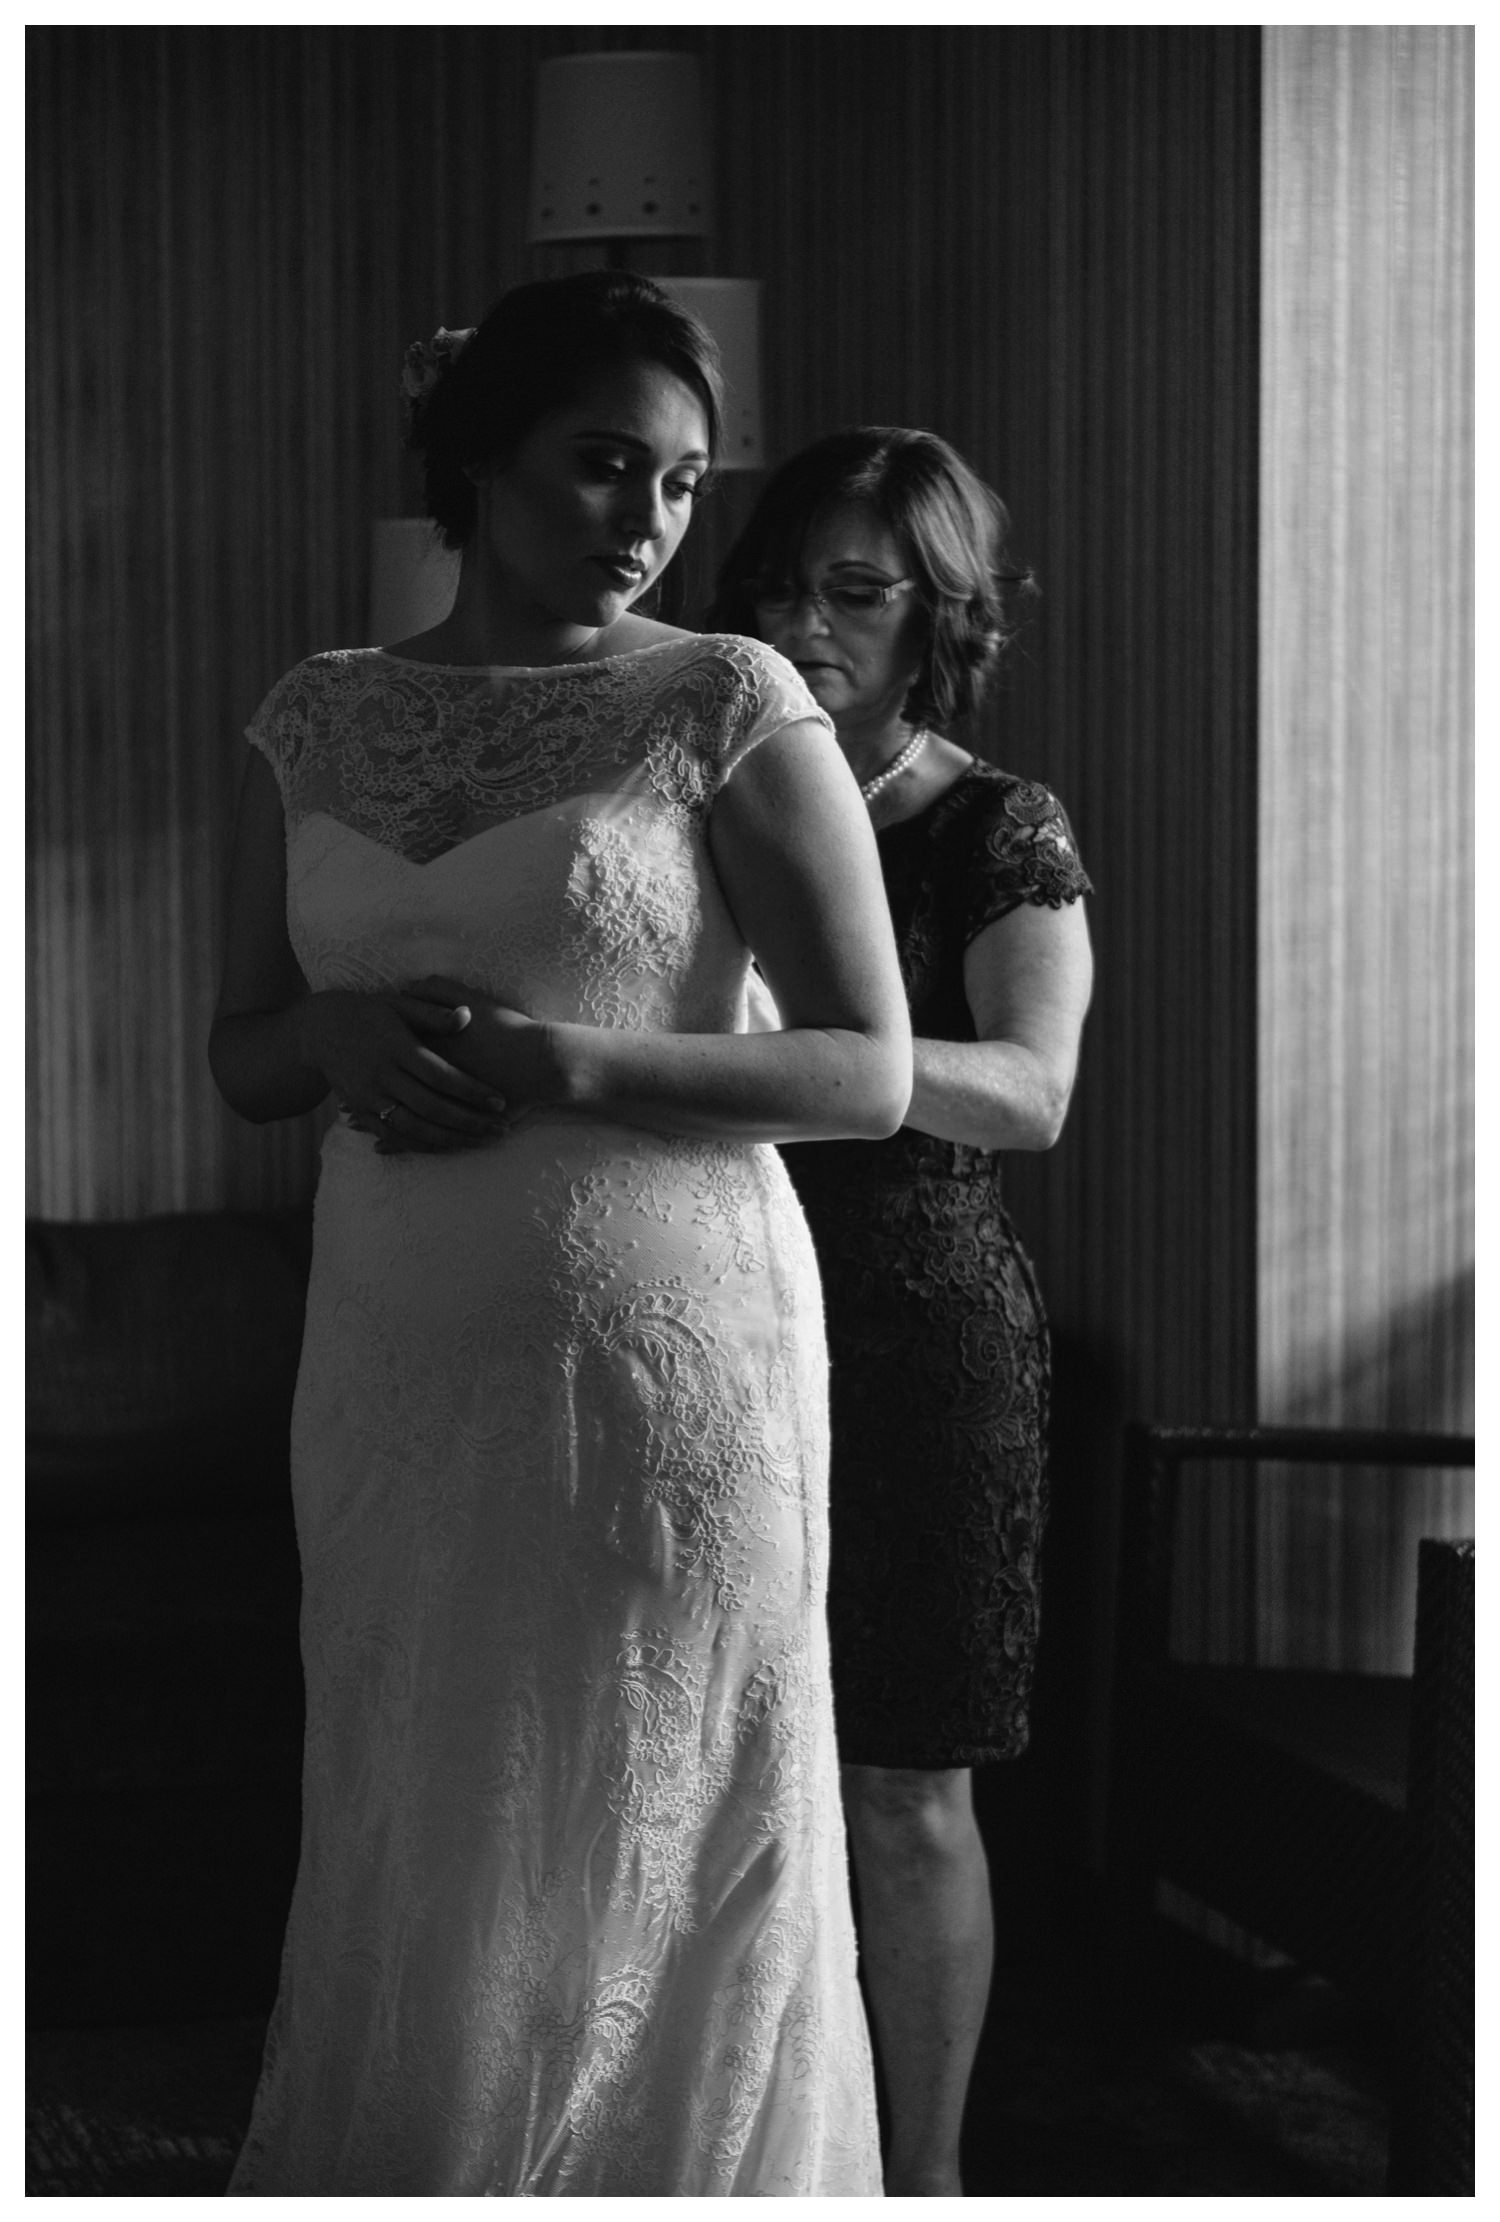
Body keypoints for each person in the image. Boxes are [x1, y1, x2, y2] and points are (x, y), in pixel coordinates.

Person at [208, 273, 912, 2197]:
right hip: (397, 1361)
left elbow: (868, 1069)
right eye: (606, 465)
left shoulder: (725, 701)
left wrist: (571, 1064)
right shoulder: (318, 719)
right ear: (478, 461)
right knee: (425, 1803)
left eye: (683, 485)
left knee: (661, 1815)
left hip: (669, 1364)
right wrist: (333, 1031)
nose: (649, 520)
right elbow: (243, 1050)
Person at [710, 427, 1093, 2197]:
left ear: (939, 612)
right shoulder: (707, 791)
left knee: (901, 1782)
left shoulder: (997, 824)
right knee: (712, 1764)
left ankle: (923, 2180)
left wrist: (827, 1068)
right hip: (710, 1305)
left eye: (855, 591)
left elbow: (1029, 1088)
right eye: (783, 585)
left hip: (925, 1329)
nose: (808, 621)